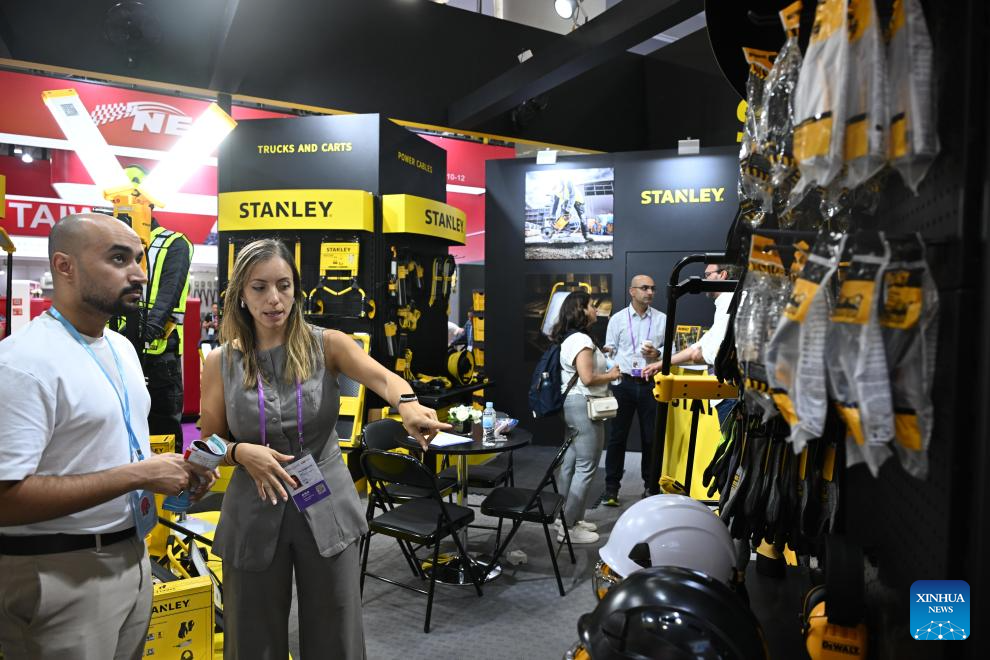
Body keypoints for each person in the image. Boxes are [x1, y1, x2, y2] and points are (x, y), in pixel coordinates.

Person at [199, 239, 449, 659]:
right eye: (259, 287)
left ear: (296, 289)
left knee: (336, 629)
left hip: (325, 499)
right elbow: (209, 444)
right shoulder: (221, 361)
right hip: (254, 506)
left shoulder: (327, 344)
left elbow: (385, 379)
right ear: (241, 293)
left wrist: (407, 404)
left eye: (283, 285)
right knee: (251, 635)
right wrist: (240, 453)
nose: (274, 299)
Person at [0, 213, 214, 660]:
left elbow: (105, 451)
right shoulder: (22, 363)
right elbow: (6, 499)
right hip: (59, 573)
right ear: (65, 266)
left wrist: (171, 472)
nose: (139, 274)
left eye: (138, 258)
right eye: (118, 259)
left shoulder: (121, 348)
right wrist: (139, 476)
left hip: (131, 555)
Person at [553, 291, 621, 544]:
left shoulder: (573, 338)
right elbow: (588, 378)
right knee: (586, 466)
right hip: (584, 405)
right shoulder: (581, 340)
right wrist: (612, 375)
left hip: (574, 405)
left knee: (570, 464)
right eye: (591, 306)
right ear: (580, 310)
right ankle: (569, 526)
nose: (596, 310)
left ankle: (565, 517)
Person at [643, 263, 738, 427]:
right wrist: (661, 364)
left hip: (730, 395)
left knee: (732, 440)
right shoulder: (724, 304)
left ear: (722, 275)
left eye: (707, 275)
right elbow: (697, 348)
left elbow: (714, 354)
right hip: (725, 395)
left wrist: (702, 354)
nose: (704, 280)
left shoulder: (729, 302)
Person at [601, 274, 667, 506]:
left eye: (653, 288)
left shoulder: (662, 319)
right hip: (624, 384)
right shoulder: (617, 319)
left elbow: (672, 349)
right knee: (617, 437)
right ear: (632, 291)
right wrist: (611, 362)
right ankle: (611, 489)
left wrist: (658, 353)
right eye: (644, 288)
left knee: (651, 438)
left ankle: (650, 486)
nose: (650, 292)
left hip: (651, 383)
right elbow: (609, 350)